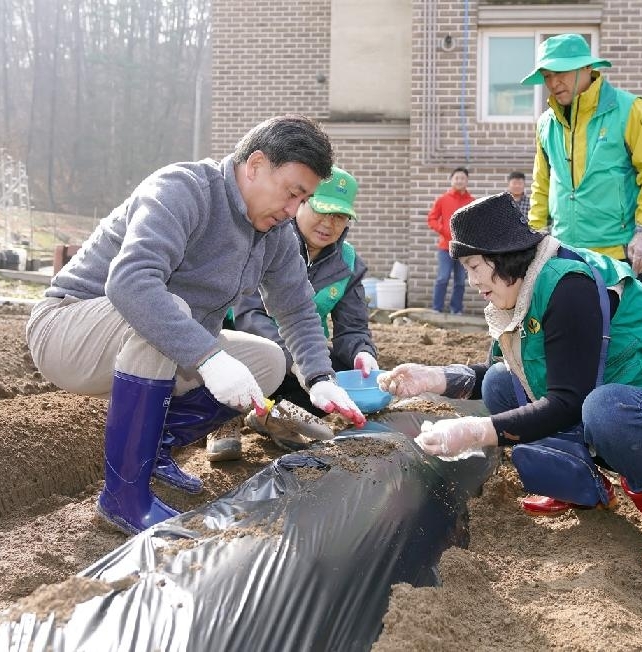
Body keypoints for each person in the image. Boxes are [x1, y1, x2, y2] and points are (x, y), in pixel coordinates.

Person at [25, 114, 366, 535]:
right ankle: (123, 498)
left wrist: (319, 377)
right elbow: (131, 283)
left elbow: (295, 308)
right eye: (293, 194)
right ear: (256, 165)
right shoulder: (184, 189)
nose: (294, 210)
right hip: (69, 329)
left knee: (267, 361)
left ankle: (155, 449)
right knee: (166, 310)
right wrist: (209, 357)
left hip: (157, 340)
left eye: (303, 199)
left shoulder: (274, 233)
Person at [377, 192, 642, 578]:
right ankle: (579, 485)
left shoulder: (568, 286)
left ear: (503, 256)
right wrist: (434, 378)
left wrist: (473, 431)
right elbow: (505, 372)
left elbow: (567, 401)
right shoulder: (522, 288)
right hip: (613, 405)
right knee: (501, 381)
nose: (472, 280)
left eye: (475, 266)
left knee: (605, 407)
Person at [227, 166, 379, 453]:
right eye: (322, 210)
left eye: (340, 216)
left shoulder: (347, 263)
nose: (329, 223)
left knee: (340, 370)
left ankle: (274, 417)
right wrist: (297, 361)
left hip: (304, 356)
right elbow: (249, 315)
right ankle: (226, 419)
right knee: (241, 354)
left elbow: (353, 327)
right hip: (255, 348)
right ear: (301, 202)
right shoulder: (268, 240)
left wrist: (362, 352)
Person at [522, 33, 642, 287]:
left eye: (561, 73)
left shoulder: (628, 109)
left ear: (587, 68)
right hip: (567, 255)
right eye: (547, 76)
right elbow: (542, 184)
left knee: (626, 327)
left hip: (622, 254)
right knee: (576, 327)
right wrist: (534, 235)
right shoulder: (546, 123)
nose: (554, 83)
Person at [428, 166, 474, 314]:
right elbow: (432, 219)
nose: (459, 181)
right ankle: (437, 309)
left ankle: (456, 309)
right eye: (457, 178)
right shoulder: (443, 199)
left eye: (462, 178)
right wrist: (444, 230)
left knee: (460, 281)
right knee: (443, 278)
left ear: (467, 181)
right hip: (445, 247)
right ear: (451, 180)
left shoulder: (472, 201)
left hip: (463, 249)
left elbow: (475, 222)